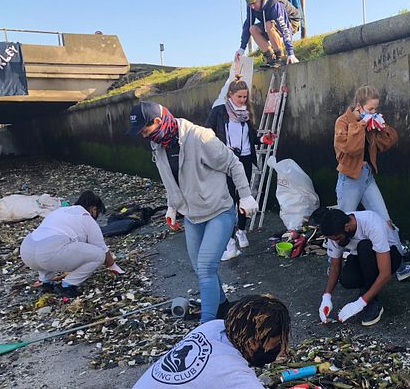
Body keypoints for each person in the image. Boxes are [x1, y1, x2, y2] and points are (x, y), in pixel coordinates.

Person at [127, 101, 258, 323]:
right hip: (192, 215)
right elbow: (171, 180)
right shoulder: (159, 145)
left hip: (219, 211)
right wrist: (172, 206)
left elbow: (233, 164)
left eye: (145, 130)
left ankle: (205, 327)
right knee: (199, 268)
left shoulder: (199, 137)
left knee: (206, 267)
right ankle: (222, 307)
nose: (143, 135)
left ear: (158, 122)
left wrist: (245, 196)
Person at [334, 85, 410, 281]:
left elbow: (387, 143)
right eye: (371, 109)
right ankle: (333, 267)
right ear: (359, 107)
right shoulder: (343, 122)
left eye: (376, 109)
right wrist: (361, 125)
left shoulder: (371, 121)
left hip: (367, 177)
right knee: (340, 224)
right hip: (349, 179)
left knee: (386, 221)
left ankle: (399, 265)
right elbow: (349, 149)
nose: (374, 112)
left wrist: (381, 126)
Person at [133, 294, 290, 388]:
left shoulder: (212, 327)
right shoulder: (234, 374)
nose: (280, 350)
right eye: (276, 344)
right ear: (252, 343)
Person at [318, 208, 410, 327]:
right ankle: (368, 288)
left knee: (364, 246)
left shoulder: (371, 223)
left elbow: (385, 273)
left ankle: (372, 301)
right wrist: (326, 296)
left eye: (338, 239)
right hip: (360, 256)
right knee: (347, 279)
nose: (336, 242)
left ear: (347, 227)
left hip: (390, 256)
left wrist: (361, 302)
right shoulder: (336, 229)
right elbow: (335, 267)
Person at [205, 76, 262, 261]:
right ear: (230, 95)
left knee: (244, 198)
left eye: (245, 97)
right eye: (239, 97)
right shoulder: (219, 112)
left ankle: (242, 231)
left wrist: (262, 140)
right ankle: (229, 242)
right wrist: (223, 147)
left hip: (245, 158)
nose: (243, 100)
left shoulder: (246, 113)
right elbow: (207, 134)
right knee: (229, 199)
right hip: (227, 160)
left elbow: (251, 136)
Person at [19, 191, 116, 297]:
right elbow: (102, 249)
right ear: (93, 209)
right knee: (98, 255)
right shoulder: (86, 217)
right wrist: (113, 266)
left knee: (46, 249)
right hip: (48, 253)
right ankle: (67, 285)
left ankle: (46, 282)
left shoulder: (61, 211)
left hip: (27, 250)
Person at [235, 0, 302, 69]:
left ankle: (280, 58)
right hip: (271, 24)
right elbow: (248, 24)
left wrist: (291, 53)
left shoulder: (275, 4)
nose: (252, 7)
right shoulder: (251, 7)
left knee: (268, 24)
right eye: (249, 4)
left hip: (291, 22)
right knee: (252, 29)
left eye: (254, 3)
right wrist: (242, 49)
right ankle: (271, 58)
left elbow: (285, 28)